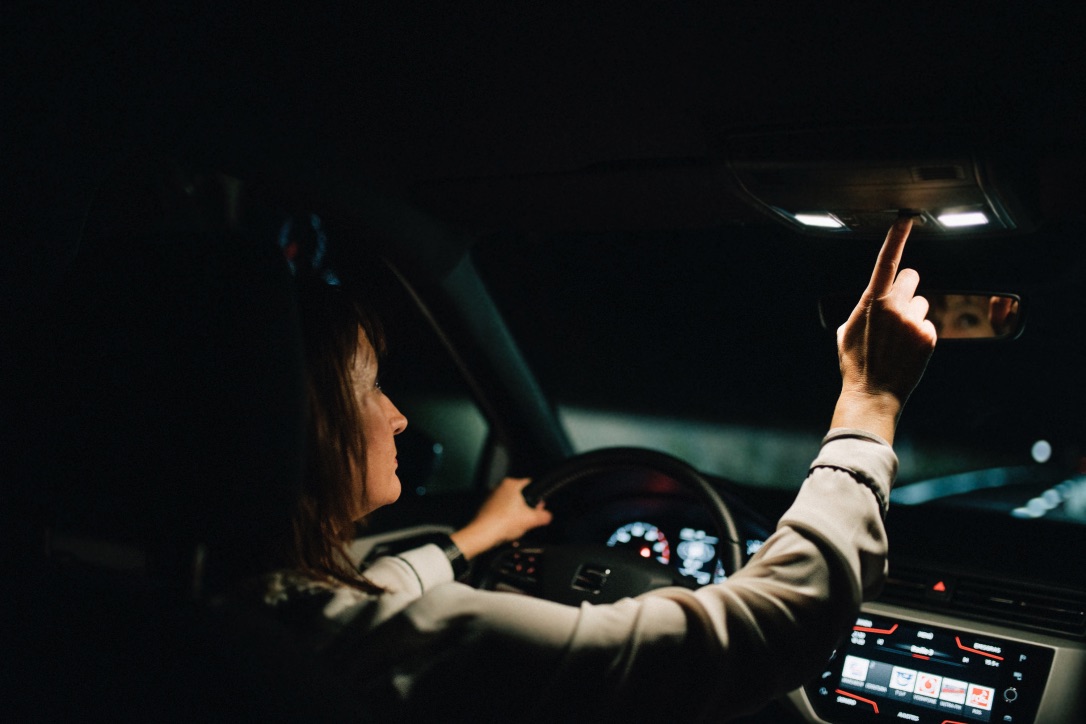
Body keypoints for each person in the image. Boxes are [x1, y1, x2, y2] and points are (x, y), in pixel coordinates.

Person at [240, 217, 936, 721]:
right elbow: (762, 635)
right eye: (366, 386)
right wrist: (870, 403)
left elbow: (366, 604)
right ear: (286, 422)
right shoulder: (396, 651)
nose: (396, 416)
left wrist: (470, 541)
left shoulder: (248, 604)